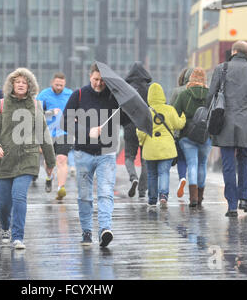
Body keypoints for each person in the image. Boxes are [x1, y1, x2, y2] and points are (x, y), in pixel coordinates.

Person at [61, 63, 130, 248]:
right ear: (90, 76)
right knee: (84, 195)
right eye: (95, 79)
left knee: (106, 193)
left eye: (102, 80)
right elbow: (65, 122)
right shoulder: (79, 95)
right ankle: (86, 231)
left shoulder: (114, 97)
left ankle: (105, 230)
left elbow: (125, 121)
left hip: (107, 153)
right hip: (83, 153)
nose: (99, 83)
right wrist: (86, 131)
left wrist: (124, 110)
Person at [0, 68, 56, 249]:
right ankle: (5, 227)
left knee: (19, 197)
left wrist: (50, 161)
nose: (21, 85)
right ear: (11, 84)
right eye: (17, 82)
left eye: (24, 82)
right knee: (4, 204)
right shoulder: (0, 104)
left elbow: (43, 134)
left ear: (30, 86)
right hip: (4, 160)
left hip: (27, 159)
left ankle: (18, 237)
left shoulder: (36, 105)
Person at [206, 40, 247, 217]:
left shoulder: (221, 68)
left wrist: (206, 113)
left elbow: (211, 94)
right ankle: (245, 198)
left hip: (224, 122)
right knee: (244, 160)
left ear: (234, 51)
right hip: (244, 123)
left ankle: (232, 205)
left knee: (228, 164)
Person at [136, 83, 186, 208]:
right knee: (164, 172)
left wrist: (142, 142)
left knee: (152, 174)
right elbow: (179, 124)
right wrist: (183, 116)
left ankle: (152, 199)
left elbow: (140, 132)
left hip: (150, 149)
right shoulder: (169, 109)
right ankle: (163, 196)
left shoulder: (145, 112)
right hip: (166, 148)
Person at [173, 67, 211, 208]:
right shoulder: (210, 95)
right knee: (202, 164)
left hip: (187, 136)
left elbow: (175, 113)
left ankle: (193, 198)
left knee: (192, 164)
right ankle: (200, 197)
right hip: (205, 136)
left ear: (191, 79)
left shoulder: (184, 95)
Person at [36, 72, 73, 200]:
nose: (59, 87)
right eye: (57, 85)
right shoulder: (43, 95)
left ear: (65, 84)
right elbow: (36, 114)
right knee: (49, 161)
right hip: (48, 132)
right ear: (52, 83)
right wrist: (51, 112)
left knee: (62, 159)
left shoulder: (69, 94)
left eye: (61, 85)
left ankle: (60, 188)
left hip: (65, 132)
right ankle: (49, 177)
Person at [123, 62, 151, 198]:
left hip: (129, 126)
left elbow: (120, 109)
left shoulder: (126, 89)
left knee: (129, 157)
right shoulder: (149, 88)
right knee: (145, 159)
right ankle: (142, 189)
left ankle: (133, 177)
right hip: (145, 127)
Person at [169, 68, 193, 198]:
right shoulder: (203, 90)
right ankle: (196, 193)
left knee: (182, 159)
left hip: (180, 131)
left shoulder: (177, 91)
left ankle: (182, 178)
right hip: (196, 132)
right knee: (195, 162)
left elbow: (171, 111)